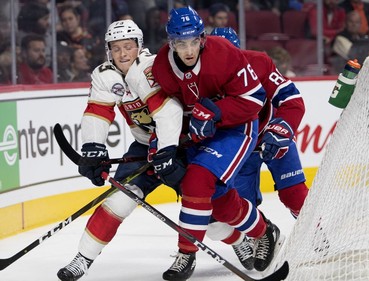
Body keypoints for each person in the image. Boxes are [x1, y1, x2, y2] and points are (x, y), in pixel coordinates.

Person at [151, 6, 283, 280]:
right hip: (201, 132)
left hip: (237, 127)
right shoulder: (162, 67)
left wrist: (216, 111)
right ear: (170, 43)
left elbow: (254, 100)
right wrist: (161, 144)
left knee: (197, 179)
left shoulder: (223, 53)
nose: (188, 50)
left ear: (202, 38)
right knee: (218, 199)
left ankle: (186, 254)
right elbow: (170, 111)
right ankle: (263, 231)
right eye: (180, 43)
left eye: (193, 41)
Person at [56, 19, 184, 281]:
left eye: (128, 46)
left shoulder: (152, 68)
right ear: (108, 51)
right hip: (143, 146)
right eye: (116, 49)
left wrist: (166, 147)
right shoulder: (105, 75)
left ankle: (237, 241)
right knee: (117, 201)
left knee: (203, 202)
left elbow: (169, 112)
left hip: (181, 145)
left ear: (139, 46)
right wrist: (93, 149)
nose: (123, 54)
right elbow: (98, 112)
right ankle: (83, 257)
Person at [207, 27, 308, 270]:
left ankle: (316, 233)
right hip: (240, 147)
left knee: (296, 196)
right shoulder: (204, 77)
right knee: (234, 210)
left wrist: (281, 129)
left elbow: (291, 99)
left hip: (272, 137)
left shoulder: (259, 64)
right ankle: (250, 239)